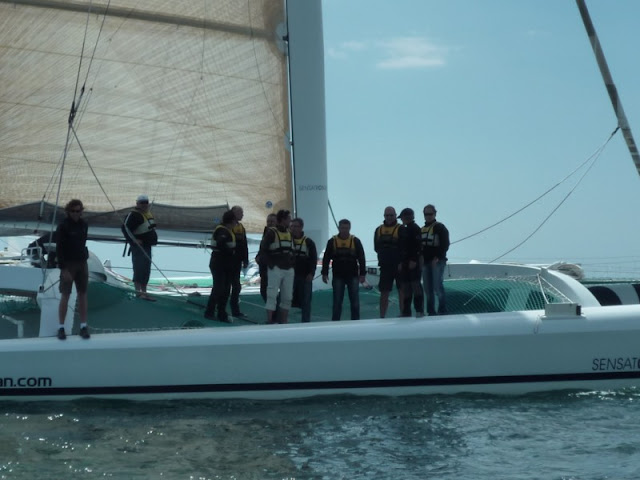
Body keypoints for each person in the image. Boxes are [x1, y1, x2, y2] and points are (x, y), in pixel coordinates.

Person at [55, 199, 90, 340]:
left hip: (82, 263)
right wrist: (63, 269)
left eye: (78, 211)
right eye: (73, 211)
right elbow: (59, 249)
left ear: (81, 212)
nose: (76, 213)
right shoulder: (63, 226)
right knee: (66, 294)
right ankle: (61, 327)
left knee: (83, 293)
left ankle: (83, 326)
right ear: (68, 212)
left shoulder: (84, 225)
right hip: (68, 264)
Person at [321, 219, 366, 321]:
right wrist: (324, 273)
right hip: (338, 276)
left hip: (353, 275)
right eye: (342, 228)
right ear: (339, 228)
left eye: (346, 228)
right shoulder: (332, 241)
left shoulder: (355, 241)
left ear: (349, 228)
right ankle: (335, 322)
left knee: (355, 301)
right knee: (337, 301)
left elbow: (361, 258)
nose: (344, 230)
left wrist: (362, 274)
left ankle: (355, 322)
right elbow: (326, 258)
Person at [259, 209, 295, 324]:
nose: (290, 221)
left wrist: (292, 265)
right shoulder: (271, 233)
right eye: (289, 219)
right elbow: (263, 250)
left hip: (288, 269)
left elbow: (292, 251)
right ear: (283, 220)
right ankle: (270, 320)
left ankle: (284, 320)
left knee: (287, 297)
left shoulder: (289, 233)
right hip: (276, 268)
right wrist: (271, 265)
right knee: (271, 295)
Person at [122, 194, 158, 301]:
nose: (144, 204)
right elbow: (125, 228)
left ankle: (144, 292)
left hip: (147, 246)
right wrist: (134, 240)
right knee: (139, 268)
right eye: (142, 203)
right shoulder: (133, 215)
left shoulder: (147, 214)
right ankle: (138, 293)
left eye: (146, 202)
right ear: (137, 203)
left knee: (146, 269)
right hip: (139, 247)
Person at [204, 210, 237, 323]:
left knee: (226, 289)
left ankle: (221, 313)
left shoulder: (227, 230)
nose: (236, 224)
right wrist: (231, 252)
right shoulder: (222, 231)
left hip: (226, 264)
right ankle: (209, 312)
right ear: (231, 221)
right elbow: (221, 244)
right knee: (219, 288)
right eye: (235, 221)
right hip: (219, 264)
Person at [421, 204, 450, 315]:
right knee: (427, 289)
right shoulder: (422, 230)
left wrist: (437, 257)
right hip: (425, 262)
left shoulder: (440, 227)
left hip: (437, 261)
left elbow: (445, 244)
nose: (428, 216)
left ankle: (442, 309)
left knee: (437, 286)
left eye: (430, 214)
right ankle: (431, 311)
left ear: (435, 214)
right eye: (426, 214)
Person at [374, 206, 402, 318]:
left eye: (391, 215)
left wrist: (401, 262)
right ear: (384, 216)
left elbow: (405, 247)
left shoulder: (401, 229)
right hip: (385, 266)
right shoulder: (378, 230)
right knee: (384, 291)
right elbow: (376, 247)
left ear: (395, 216)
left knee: (401, 290)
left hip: (399, 265)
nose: (389, 217)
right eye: (387, 215)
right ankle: (382, 316)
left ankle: (403, 313)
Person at [398, 208, 424, 317]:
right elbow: (400, 247)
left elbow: (418, 246)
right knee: (406, 287)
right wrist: (400, 262)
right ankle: (406, 311)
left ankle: (419, 310)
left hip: (414, 262)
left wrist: (414, 260)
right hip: (404, 262)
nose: (402, 220)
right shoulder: (402, 229)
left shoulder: (415, 228)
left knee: (415, 285)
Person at [290, 217, 318, 323]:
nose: (294, 229)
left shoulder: (309, 242)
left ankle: (306, 322)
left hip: (305, 276)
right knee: (285, 299)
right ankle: (282, 321)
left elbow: (313, 259)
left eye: (296, 226)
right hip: (289, 276)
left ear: (301, 227)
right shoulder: (287, 241)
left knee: (306, 301)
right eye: (292, 226)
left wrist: (311, 273)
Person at [230, 205, 249, 319]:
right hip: (228, 262)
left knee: (236, 286)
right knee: (226, 287)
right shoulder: (227, 227)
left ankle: (235, 311)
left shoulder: (241, 227)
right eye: (240, 212)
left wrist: (245, 259)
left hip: (237, 262)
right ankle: (219, 309)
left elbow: (244, 245)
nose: (242, 215)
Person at [256, 213, 277, 302]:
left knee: (270, 291)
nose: (270, 223)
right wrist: (258, 257)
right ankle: (273, 308)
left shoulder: (278, 235)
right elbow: (262, 248)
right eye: (268, 221)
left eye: (272, 221)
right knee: (264, 291)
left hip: (273, 267)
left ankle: (275, 308)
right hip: (264, 267)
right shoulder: (266, 233)